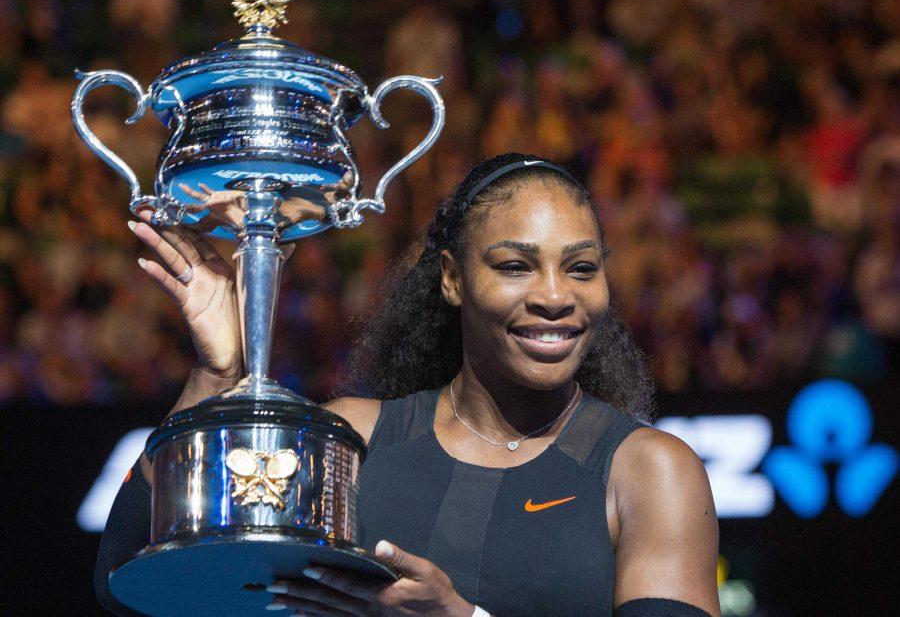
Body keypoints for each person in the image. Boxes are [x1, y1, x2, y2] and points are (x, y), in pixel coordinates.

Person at [96, 154, 720, 616]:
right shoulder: (356, 439)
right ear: (451, 278)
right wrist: (219, 374)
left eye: (581, 268)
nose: (556, 296)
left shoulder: (650, 471)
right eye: (514, 266)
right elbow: (131, 584)